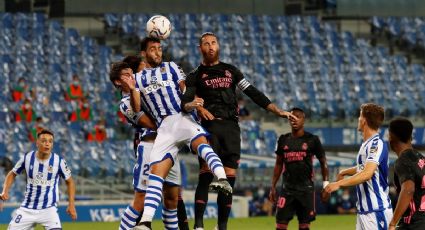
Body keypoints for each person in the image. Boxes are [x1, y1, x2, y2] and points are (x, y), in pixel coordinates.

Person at [180, 32, 298, 230]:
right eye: (206, 44)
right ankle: (199, 225)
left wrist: (277, 111)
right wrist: (196, 106)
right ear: (200, 49)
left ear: (218, 46)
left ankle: (222, 226)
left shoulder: (231, 71)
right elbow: (185, 102)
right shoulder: (194, 75)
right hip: (209, 128)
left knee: (230, 176)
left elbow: (252, 92)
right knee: (206, 173)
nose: (210, 46)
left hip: (231, 128)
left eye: (213, 43)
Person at [115, 36, 232, 230]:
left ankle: (222, 178)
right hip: (153, 140)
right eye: (153, 49)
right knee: (143, 194)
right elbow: (143, 117)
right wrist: (137, 89)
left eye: (159, 48)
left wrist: (190, 105)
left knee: (172, 198)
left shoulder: (170, 68)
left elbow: (185, 89)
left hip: (175, 127)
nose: (158, 52)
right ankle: (143, 223)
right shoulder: (127, 97)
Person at [112, 56, 189, 230]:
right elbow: (154, 124)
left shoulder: (145, 91)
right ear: (118, 81)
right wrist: (172, 120)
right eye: (126, 75)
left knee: (171, 199)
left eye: (132, 73)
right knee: (140, 199)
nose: (132, 77)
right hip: (150, 148)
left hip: (169, 148)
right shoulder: (126, 103)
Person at [324, 103, 393, 229]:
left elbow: (367, 173)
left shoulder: (376, 144)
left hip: (376, 211)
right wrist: (344, 172)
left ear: (364, 121)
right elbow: (364, 168)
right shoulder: (367, 144)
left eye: (360, 116)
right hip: (364, 211)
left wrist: (338, 184)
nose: (358, 119)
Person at [0, 129, 77, 229]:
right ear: (37, 143)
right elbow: (12, 173)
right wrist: (5, 191)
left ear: (52, 144)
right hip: (27, 209)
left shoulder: (59, 162)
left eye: (50, 141)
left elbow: (70, 182)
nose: (47, 144)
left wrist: (71, 204)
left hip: (49, 210)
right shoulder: (27, 158)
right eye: (44, 141)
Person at [268, 107, 329, 230]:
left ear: (303, 120)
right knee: (280, 225)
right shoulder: (283, 139)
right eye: (291, 117)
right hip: (287, 189)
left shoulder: (313, 140)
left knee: (304, 226)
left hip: (306, 190)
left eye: (297, 117)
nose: (294, 120)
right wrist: (273, 186)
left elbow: (323, 162)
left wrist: (326, 185)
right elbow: (279, 164)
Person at [387, 117, 425, 229]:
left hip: (414, 223)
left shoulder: (403, 161)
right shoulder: (421, 158)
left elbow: (408, 189)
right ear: (410, 137)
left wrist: (393, 222)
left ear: (391, 137)